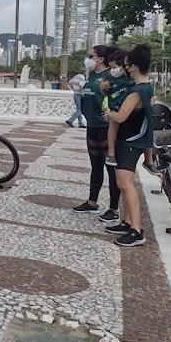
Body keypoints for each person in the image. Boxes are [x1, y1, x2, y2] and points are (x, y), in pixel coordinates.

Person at [104, 44, 154, 247]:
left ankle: (136, 230)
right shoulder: (147, 87)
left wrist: (109, 114)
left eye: (126, 65)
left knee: (125, 184)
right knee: (124, 184)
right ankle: (126, 222)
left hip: (130, 141)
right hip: (137, 141)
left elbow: (121, 116)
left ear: (132, 67)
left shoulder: (136, 91)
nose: (123, 69)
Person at [71, 45, 122, 223]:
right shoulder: (91, 75)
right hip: (92, 127)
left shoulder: (110, 76)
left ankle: (114, 208)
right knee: (96, 166)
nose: (88, 59)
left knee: (111, 169)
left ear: (100, 59)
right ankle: (92, 202)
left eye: (91, 56)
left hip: (107, 129)